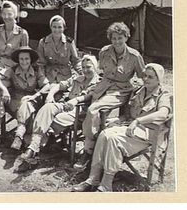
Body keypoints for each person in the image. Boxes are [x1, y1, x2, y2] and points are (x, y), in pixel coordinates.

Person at [72, 63, 172, 192]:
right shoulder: (138, 91)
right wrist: (117, 120)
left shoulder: (164, 94)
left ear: (159, 79)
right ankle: (93, 178)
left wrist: (137, 121)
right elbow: (128, 114)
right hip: (131, 129)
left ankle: (106, 184)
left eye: (150, 77)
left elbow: (163, 114)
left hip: (150, 133)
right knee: (104, 134)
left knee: (113, 139)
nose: (145, 79)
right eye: (144, 76)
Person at [74, 22, 145, 170]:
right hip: (103, 86)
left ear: (126, 37)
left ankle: (88, 149)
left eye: (120, 38)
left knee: (94, 108)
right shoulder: (104, 51)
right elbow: (101, 71)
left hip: (120, 90)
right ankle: (96, 145)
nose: (117, 41)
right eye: (113, 38)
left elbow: (142, 77)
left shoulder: (134, 56)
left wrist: (137, 93)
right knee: (88, 106)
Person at [20, 55, 102, 160]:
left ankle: (34, 147)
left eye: (89, 67)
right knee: (48, 107)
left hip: (81, 112)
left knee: (56, 119)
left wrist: (76, 101)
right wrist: (50, 95)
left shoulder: (99, 82)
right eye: (84, 67)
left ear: (95, 67)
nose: (85, 70)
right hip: (66, 105)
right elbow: (59, 85)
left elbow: (88, 96)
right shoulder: (78, 78)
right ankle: (35, 146)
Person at [0, 46, 51, 149]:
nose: (24, 62)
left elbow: (47, 85)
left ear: (31, 59)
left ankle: (18, 136)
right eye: (21, 59)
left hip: (30, 100)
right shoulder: (13, 70)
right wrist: (4, 90)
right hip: (15, 99)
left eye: (26, 59)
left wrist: (36, 95)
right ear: (18, 60)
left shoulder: (36, 70)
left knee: (26, 104)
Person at [37, 15, 82, 85]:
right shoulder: (43, 42)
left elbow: (76, 61)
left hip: (65, 78)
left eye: (60, 27)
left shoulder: (69, 42)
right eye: (54, 27)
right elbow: (40, 64)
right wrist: (42, 78)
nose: (57, 30)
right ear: (51, 27)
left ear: (64, 28)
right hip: (49, 77)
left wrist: (83, 72)